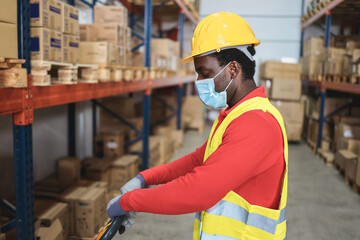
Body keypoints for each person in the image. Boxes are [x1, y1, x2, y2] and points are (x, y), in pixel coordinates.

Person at [107, 12, 288, 240]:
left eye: (205, 73)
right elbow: (197, 160)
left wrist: (129, 201)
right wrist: (144, 179)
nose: (199, 82)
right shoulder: (236, 115)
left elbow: (198, 190)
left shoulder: (256, 124)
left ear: (233, 69)